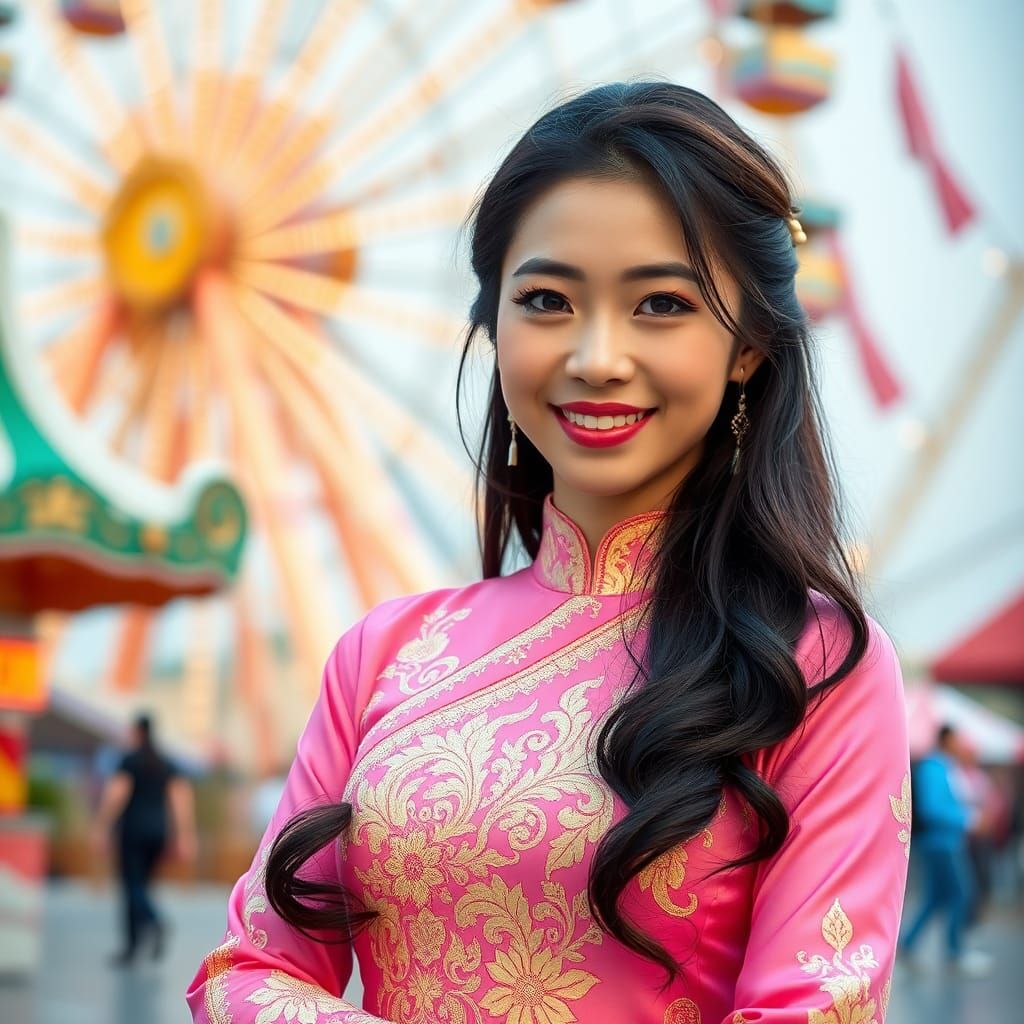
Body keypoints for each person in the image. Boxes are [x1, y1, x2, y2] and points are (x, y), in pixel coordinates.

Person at [188, 82, 909, 1022]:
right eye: (548, 300)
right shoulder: (383, 656)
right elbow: (248, 970)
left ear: (748, 348)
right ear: (495, 327)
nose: (598, 356)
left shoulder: (816, 668)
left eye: (660, 302)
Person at [92, 712, 197, 965]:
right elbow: (180, 798)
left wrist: (101, 826)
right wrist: (184, 833)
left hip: (133, 831)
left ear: (137, 732)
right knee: (142, 886)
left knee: (132, 886)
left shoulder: (130, 761)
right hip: (158, 831)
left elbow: (117, 794)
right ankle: (134, 945)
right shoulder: (165, 762)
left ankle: (152, 925)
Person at [899, 725, 992, 976]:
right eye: (957, 740)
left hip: (943, 842)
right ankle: (954, 953)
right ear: (946, 740)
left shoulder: (945, 767)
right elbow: (932, 808)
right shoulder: (935, 767)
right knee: (963, 893)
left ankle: (907, 946)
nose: (961, 745)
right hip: (941, 843)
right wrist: (969, 820)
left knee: (935, 899)